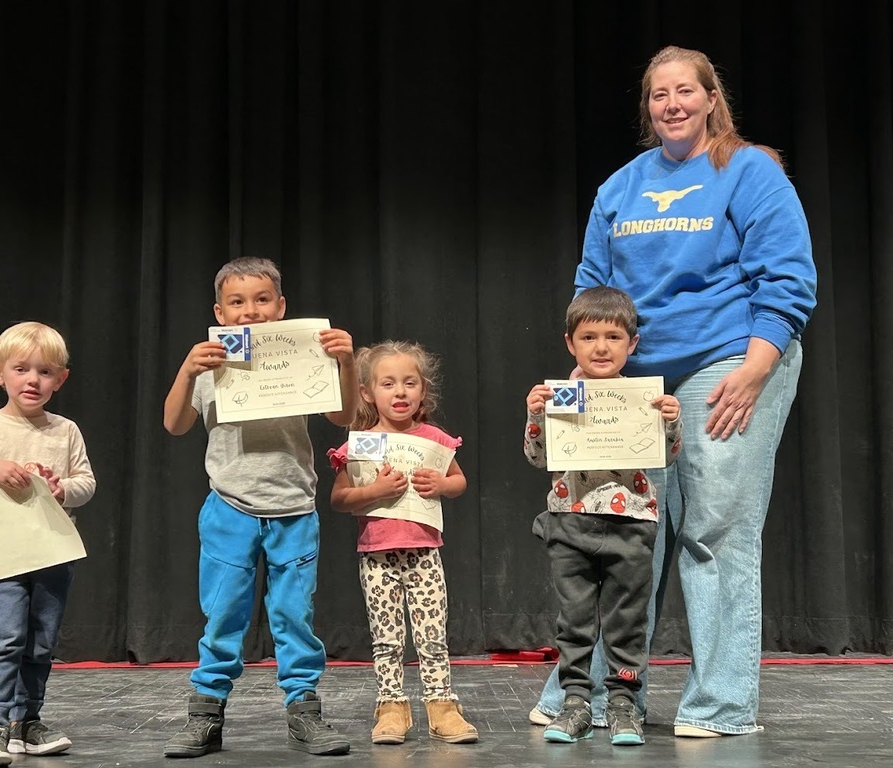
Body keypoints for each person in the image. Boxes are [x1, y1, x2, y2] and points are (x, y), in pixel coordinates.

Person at [530, 45, 817, 738]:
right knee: (623, 532)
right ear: (648, 107)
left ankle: (720, 704)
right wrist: (587, 365)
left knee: (715, 528)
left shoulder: (749, 170)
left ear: (711, 98)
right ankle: (590, 694)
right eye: (659, 94)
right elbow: (593, 285)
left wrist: (756, 368)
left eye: (685, 91)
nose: (672, 104)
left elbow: (787, 275)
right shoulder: (621, 187)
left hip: (729, 358)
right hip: (634, 374)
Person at [162, 257, 358, 758]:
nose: (250, 310)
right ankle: (205, 714)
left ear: (281, 306)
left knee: (294, 615)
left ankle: (304, 711)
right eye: (237, 302)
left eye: (262, 299)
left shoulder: (302, 353)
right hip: (229, 506)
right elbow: (175, 425)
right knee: (223, 614)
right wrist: (187, 369)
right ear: (220, 313)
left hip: (293, 506)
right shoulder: (212, 365)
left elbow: (343, 415)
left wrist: (345, 362)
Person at [525, 287, 682, 746]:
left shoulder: (645, 399)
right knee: (574, 621)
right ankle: (575, 704)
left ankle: (623, 706)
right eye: (589, 337)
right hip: (570, 521)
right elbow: (538, 458)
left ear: (632, 344)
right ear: (570, 343)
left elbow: (666, 457)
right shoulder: (561, 396)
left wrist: (671, 422)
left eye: (613, 337)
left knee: (626, 620)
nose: (601, 347)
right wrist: (536, 417)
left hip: (631, 524)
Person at [0, 321, 97, 767]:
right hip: (2, 553)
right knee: (5, 636)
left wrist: (62, 488)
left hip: (52, 550)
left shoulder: (65, 431)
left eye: (45, 372)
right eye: (21, 369)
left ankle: (26, 721)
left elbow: (86, 482)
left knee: (42, 640)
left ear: (60, 379)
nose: (33, 380)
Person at [328, 340, 478, 746]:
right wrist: (373, 491)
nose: (400, 392)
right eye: (388, 383)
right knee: (387, 636)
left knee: (432, 633)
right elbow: (339, 498)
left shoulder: (433, 439)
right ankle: (391, 706)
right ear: (367, 393)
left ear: (423, 390)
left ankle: (441, 705)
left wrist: (442, 484)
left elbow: (459, 481)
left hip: (424, 552)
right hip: (377, 556)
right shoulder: (361, 443)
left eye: (410, 383)